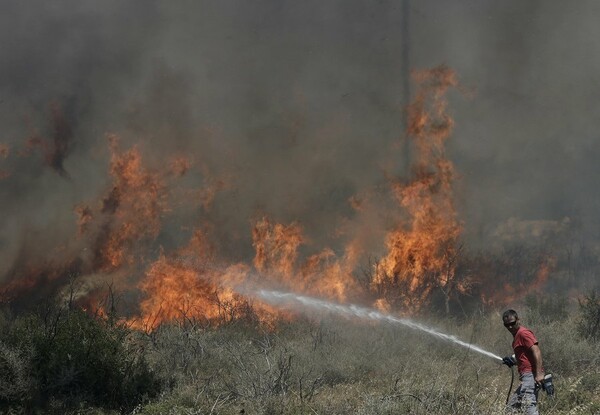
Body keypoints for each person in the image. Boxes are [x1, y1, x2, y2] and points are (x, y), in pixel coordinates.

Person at [501, 309, 545, 415]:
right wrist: (513, 361)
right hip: (527, 376)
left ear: (518, 320)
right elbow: (524, 357)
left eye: (512, 323)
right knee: (511, 408)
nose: (510, 327)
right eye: (507, 325)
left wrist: (539, 374)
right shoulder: (517, 336)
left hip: (530, 375)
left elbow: (536, 351)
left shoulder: (523, 333)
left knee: (529, 405)